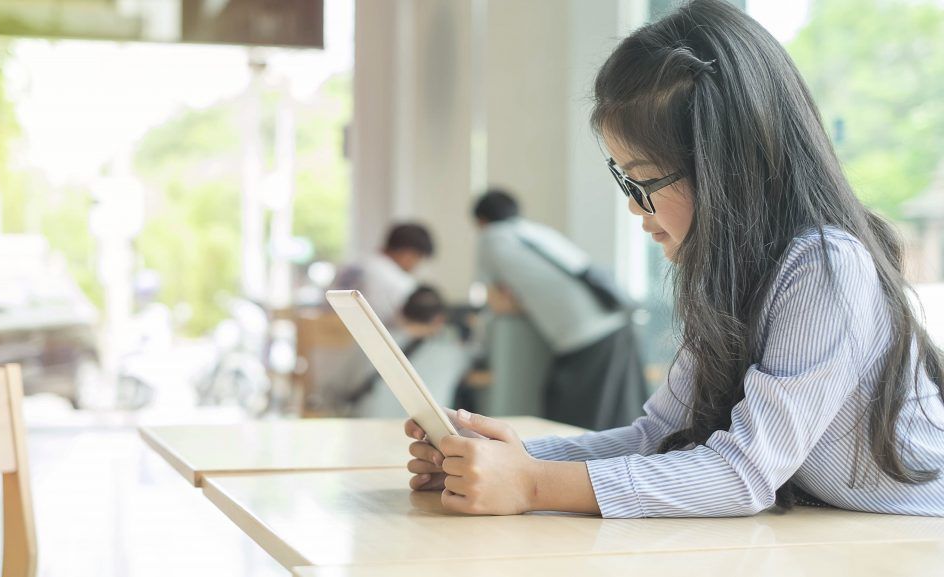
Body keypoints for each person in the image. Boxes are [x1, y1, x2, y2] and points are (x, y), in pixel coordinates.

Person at [402, 0, 944, 518]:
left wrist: (531, 483)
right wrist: (496, 460)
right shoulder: (728, 280)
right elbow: (656, 438)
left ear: (730, 168)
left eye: (645, 180)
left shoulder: (825, 268)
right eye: (625, 181)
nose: (637, 209)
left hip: (914, 537)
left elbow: (743, 474)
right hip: (846, 533)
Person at [473, 189, 646, 429]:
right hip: (613, 320)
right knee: (618, 411)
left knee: (571, 417)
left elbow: (498, 303)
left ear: (481, 220)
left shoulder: (491, 237)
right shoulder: (534, 232)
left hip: (582, 333)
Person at [344, 285, 469, 418]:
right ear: (440, 319)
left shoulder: (369, 341)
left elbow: (341, 385)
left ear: (401, 312)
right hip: (423, 431)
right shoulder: (454, 353)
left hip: (367, 425)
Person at [332, 222, 435, 323]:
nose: (416, 266)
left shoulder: (352, 265)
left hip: (328, 333)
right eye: (418, 259)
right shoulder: (400, 282)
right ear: (408, 253)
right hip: (367, 337)